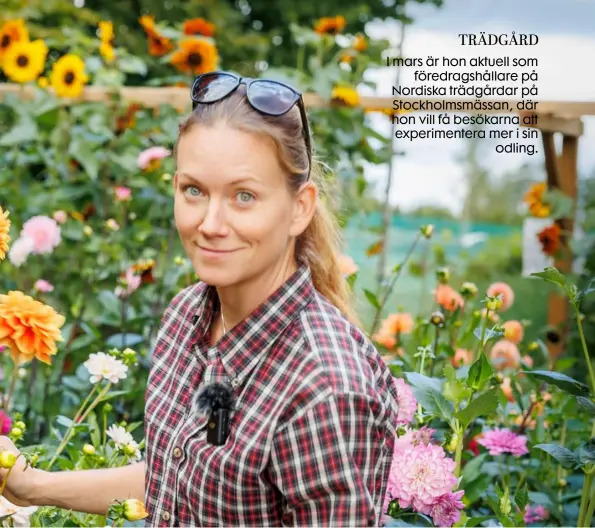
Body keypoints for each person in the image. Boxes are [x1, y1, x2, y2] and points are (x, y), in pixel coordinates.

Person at [0, 71, 400, 527]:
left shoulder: (325, 388)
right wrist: (32, 485)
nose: (210, 223)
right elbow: (177, 483)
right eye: (194, 190)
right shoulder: (188, 315)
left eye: (243, 196)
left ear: (300, 208)